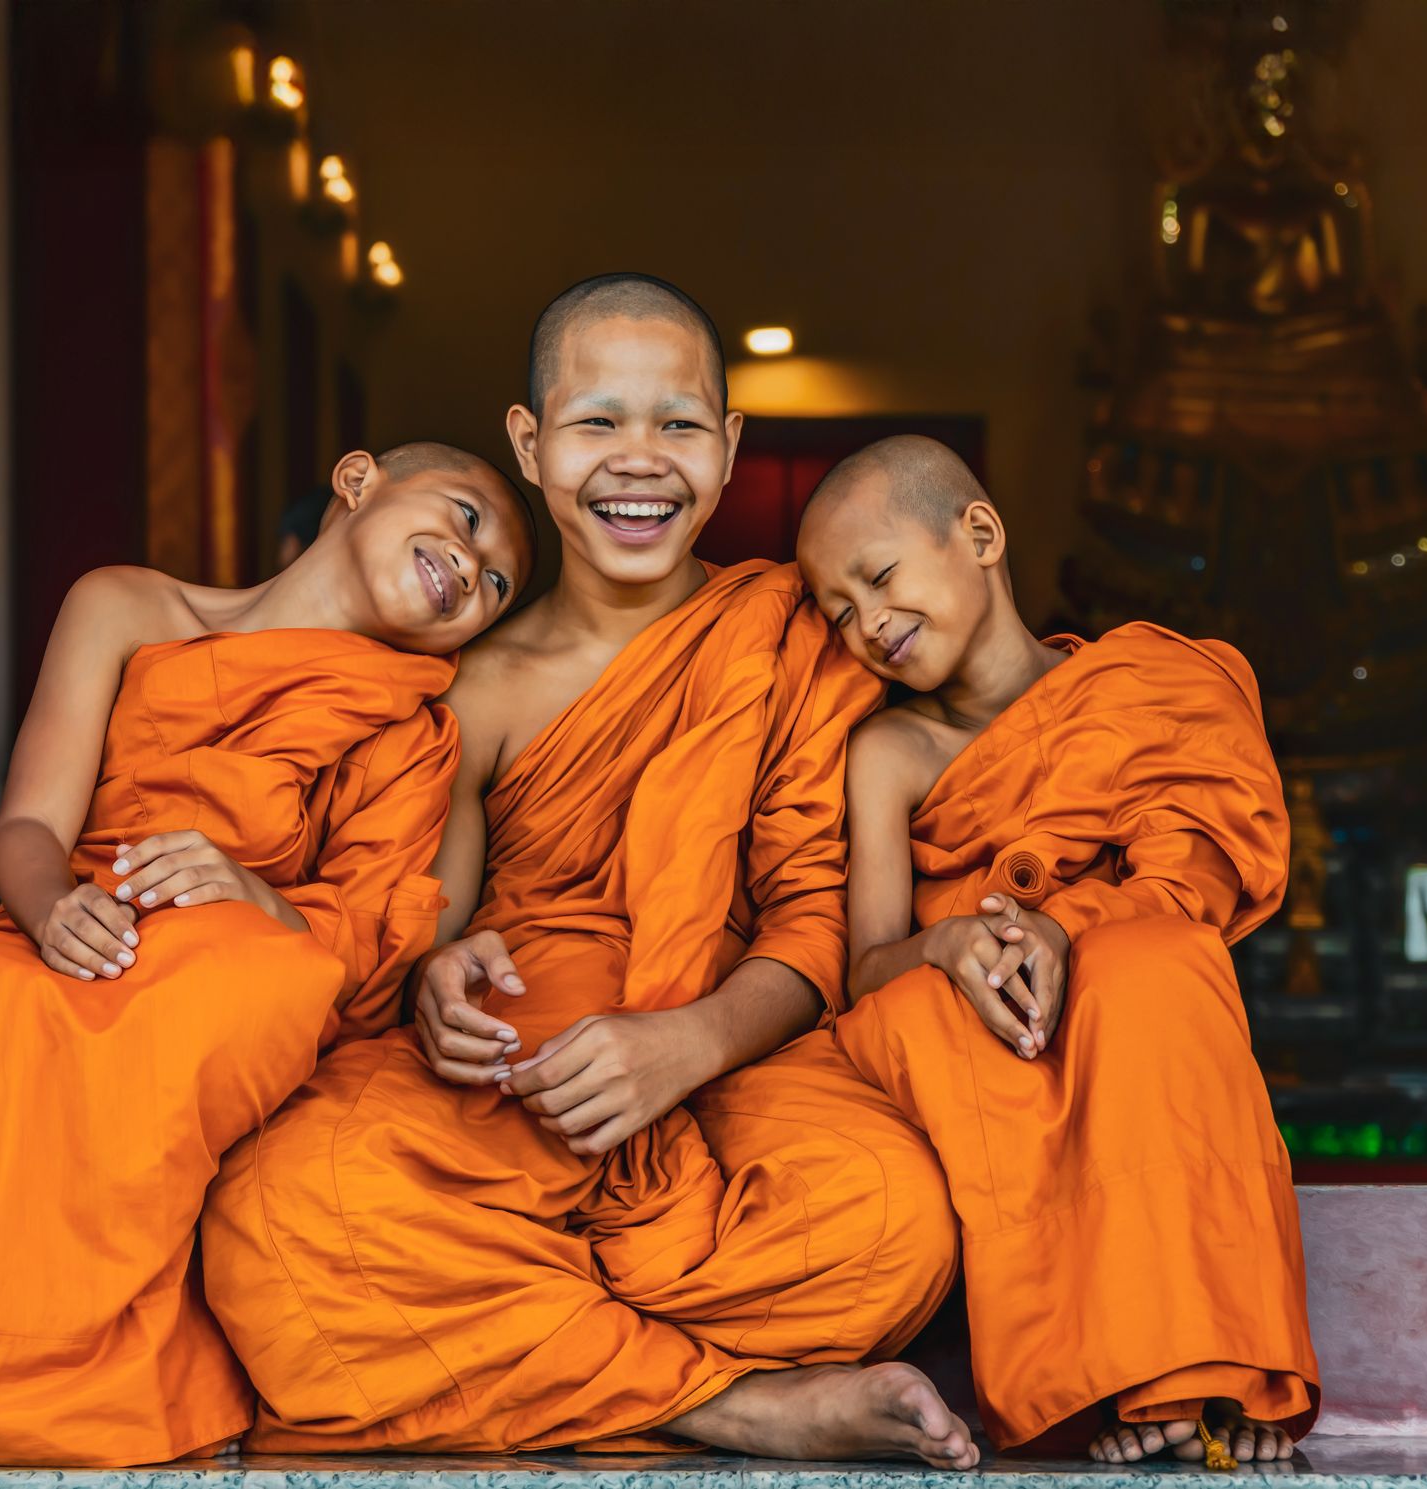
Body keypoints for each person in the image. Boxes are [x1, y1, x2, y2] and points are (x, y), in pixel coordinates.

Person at [201, 276, 977, 1468]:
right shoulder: (472, 681)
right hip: (521, 1083)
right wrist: (437, 987)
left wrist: (693, 1042)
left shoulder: (784, 637)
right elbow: (425, 923)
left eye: (676, 426)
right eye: (595, 422)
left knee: (895, 1222)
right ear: (529, 444)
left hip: (725, 1065)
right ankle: (720, 1403)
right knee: (281, 1208)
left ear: (725, 451)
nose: (638, 461)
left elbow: (811, 920)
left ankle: (520, 1341)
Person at [0, 442, 535, 1467]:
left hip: (239, 960)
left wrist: (258, 893)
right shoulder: (125, 606)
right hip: (74, 929)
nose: (471, 565)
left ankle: (49, 1378)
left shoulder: (409, 730)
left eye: (494, 585)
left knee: (249, 980)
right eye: (466, 515)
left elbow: (364, 946)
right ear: (358, 482)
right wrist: (54, 913)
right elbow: (27, 826)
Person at [796, 435, 1320, 1465]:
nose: (867, 622)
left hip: (1118, 984)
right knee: (934, 1016)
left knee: (1158, 967)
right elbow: (863, 968)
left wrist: (1060, 927)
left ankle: (1204, 1365)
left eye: (880, 575)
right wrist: (949, 943)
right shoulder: (889, 753)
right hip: (956, 1008)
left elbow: (1192, 881)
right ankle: (1100, 1382)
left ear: (978, 534)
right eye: (837, 610)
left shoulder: (1143, 686)